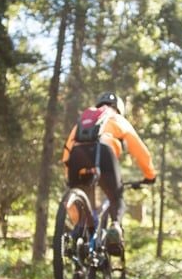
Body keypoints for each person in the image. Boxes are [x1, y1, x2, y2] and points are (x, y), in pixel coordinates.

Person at [63, 92, 157, 255]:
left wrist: (70, 177)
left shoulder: (86, 118)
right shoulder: (115, 116)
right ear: (118, 108)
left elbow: (68, 149)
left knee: (83, 203)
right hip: (104, 153)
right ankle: (114, 227)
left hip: (77, 156)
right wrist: (150, 175)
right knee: (116, 197)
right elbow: (137, 147)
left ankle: (78, 235)